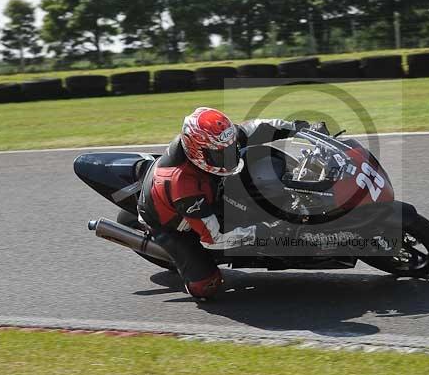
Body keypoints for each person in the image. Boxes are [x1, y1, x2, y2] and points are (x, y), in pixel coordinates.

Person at [136, 107, 325, 299]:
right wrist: (264, 230)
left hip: (204, 187)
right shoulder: (183, 186)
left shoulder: (215, 140)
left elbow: (256, 128)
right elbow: (214, 238)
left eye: (230, 148)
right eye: (221, 154)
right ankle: (184, 258)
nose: (229, 156)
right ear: (198, 152)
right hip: (170, 223)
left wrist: (301, 128)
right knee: (206, 286)